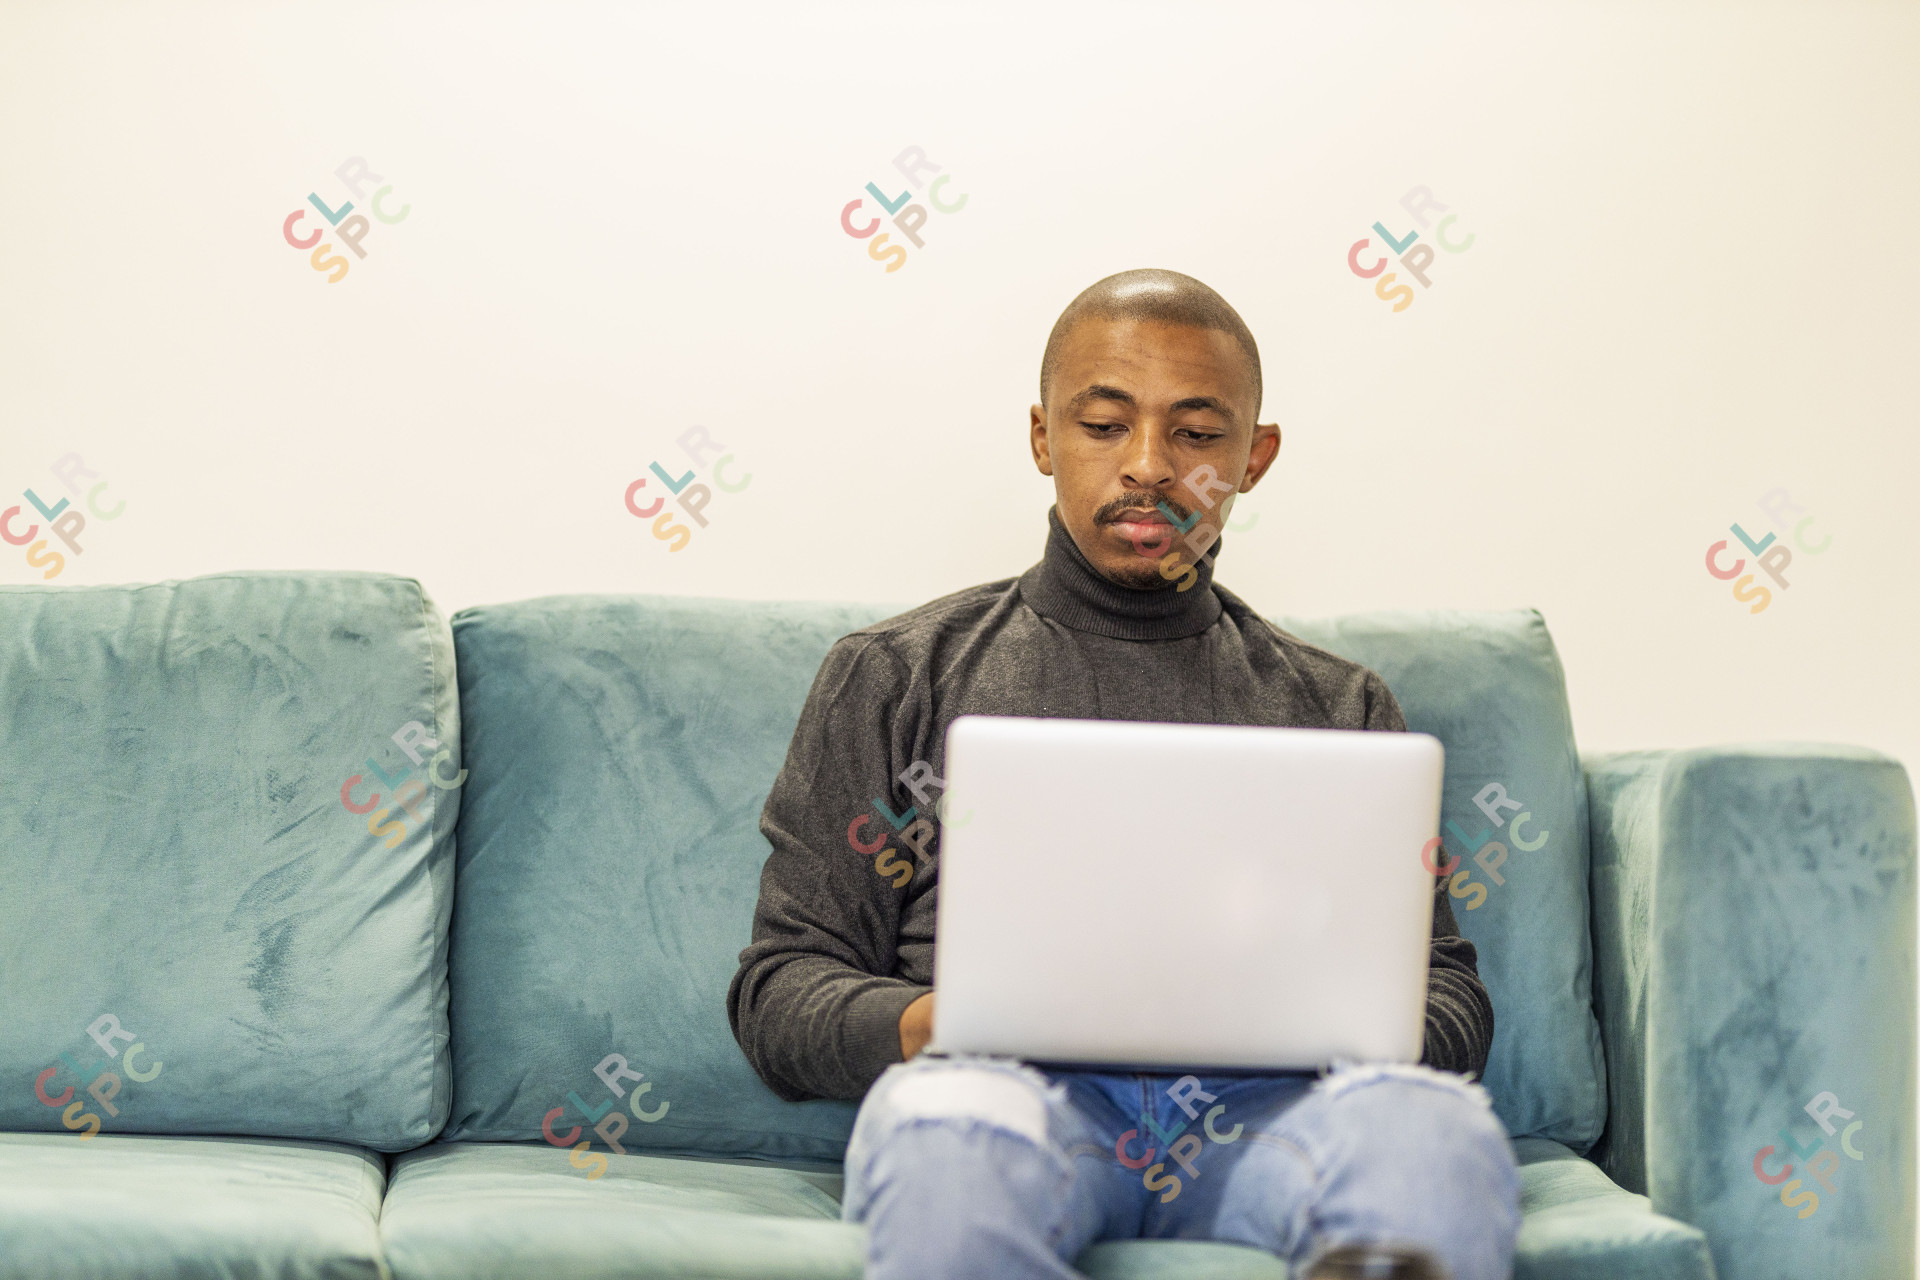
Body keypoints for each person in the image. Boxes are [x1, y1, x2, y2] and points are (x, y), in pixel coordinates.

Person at [726, 269, 1522, 1279]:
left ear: (1254, 457)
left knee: (1435, 1144)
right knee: (952, 1154)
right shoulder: (895, 672)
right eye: (1103, 424)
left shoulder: (1342, 706)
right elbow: (778, 989)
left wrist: (1350, 1026)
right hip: (1003, 1097)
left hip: (1276, 1115)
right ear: (1042, 438)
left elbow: (1450, 995)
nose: (1148, 466)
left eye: (1196, 434)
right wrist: (939, 1018)